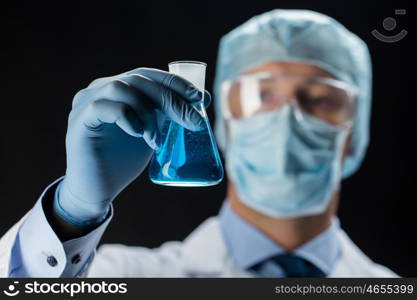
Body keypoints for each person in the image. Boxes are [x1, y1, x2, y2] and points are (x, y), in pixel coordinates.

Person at [0, 9, 396, 278]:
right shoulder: (118, 274)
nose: (287, 119)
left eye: (321, 99)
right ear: (217, 118)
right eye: (261, 96)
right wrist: (74, 213)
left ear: (355, 128)